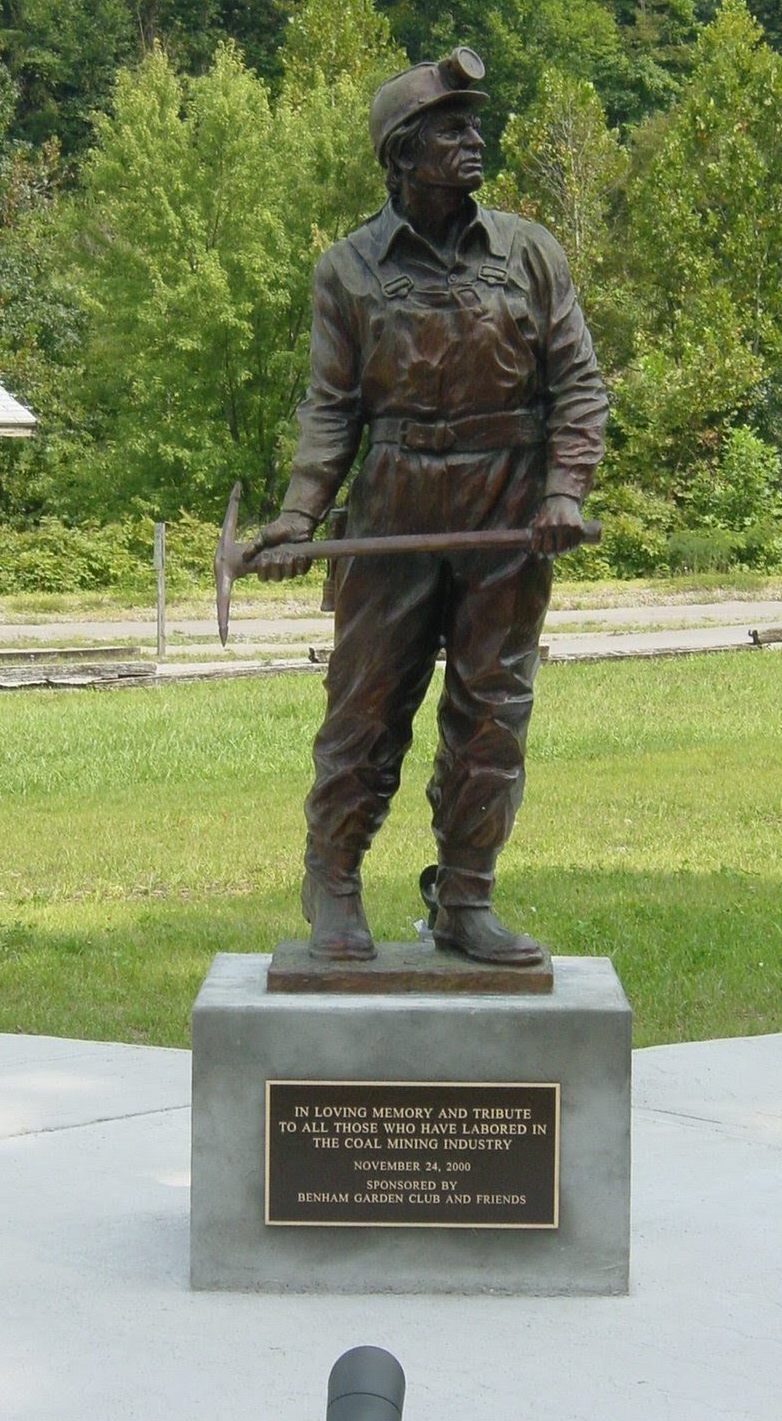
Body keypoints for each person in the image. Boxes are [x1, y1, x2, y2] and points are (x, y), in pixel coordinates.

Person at [247, 48, 608, 965]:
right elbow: (332, 408)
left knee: (493, 711)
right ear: (402, 153)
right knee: (365, 705)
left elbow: (579, 387)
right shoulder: (348, 269)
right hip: (396, 509)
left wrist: (565, 489)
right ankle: (332, 880)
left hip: (507, 509)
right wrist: (298, 516)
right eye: (452, 128)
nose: (473, 140)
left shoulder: (530, 253)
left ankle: (465, 897)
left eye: (474, 125)